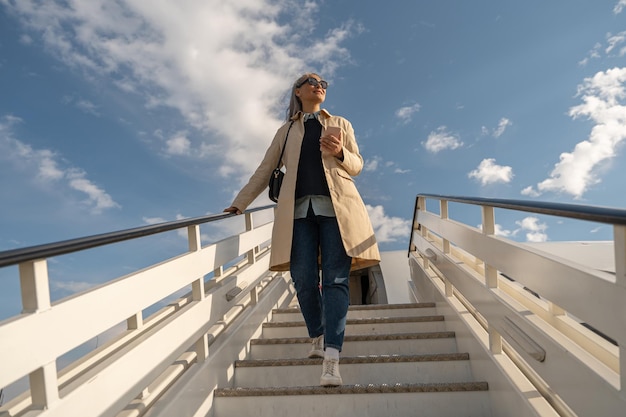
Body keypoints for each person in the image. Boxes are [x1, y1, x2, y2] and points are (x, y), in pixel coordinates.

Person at [224, 72, 380, 387]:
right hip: (297, 213)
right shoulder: (286, 130)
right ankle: (318, 334)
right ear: (298, 91)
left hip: (338, 210)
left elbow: (357, 165)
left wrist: (339, 152)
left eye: (323, 84)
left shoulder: (340, 123)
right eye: (312, 81)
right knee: (303, 279)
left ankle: (332, 358)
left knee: (336, 281)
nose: (319, 86)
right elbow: (265, 169)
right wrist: (241, 202)